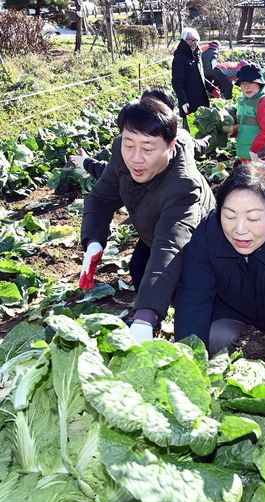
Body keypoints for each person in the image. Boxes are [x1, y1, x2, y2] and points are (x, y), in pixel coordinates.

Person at [174, 164, 265, 393]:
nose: (240, 230)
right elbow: (193, 299)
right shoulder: (207, 233)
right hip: (229, 307)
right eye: (229, 215)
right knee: (215, 338)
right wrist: (188, 373)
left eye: (253, 218)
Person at [78, 98, 214, 343]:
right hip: (151, 228)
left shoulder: (183, 185)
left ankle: (152, 316)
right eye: (129, 144)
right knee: (139, 266)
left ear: (170, 146)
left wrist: (145, 317)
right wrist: (94, 241)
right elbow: (101, 197)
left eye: (148, 149)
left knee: (191, 313)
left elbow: (170, 248)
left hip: (196, 244)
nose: (136, 158)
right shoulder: (122, 152)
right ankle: (150, 315)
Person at [72, 87, 211, 180]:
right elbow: (113, 173)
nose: (137, 157)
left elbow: (113, 173)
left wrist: (86, 162)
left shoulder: (181, 141)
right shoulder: (184, 137)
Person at [171, 28, 219, 126]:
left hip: (201, 101)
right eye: (190, 40)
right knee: (190, 132)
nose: (193, 43)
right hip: (189, 103)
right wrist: (183, 101)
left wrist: (212, 88)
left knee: (203, 132)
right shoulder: (180, 58)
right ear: (184, 40)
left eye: (195, 40)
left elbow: (200, 77)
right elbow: (177, 83)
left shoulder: (197, 55)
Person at [234, 63, 265, 169]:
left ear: (259, 84)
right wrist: (232, 130)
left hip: (259, 157)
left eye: (250, 82)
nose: (246, 86)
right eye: (243, 83)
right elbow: (243, 125)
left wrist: (254, 150)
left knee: (262, 184)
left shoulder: (264, 102)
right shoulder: (243, 100)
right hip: (245, 154)